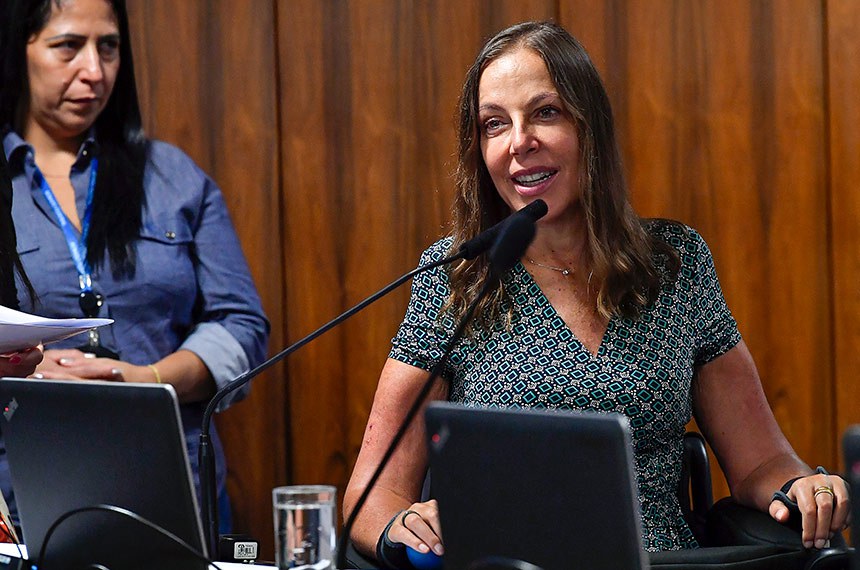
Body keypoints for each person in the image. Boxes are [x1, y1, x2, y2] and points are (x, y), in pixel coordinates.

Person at [343, 21, 850, 565]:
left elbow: (759, 462)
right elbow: (370, 496)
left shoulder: (674, 263)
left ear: (591, 129)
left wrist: (802, 485)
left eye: (545, 112)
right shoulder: (457, 278)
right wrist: (406, 524)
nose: (519, 142)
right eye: (495, 124)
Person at [0, 0, 269, 533]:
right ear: (18, 50)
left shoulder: (172, 178)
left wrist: (143, 378)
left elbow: (243, 329)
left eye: (109, 47)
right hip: (27, 499)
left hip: (176, 497)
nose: (94, 71)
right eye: (67, 46)